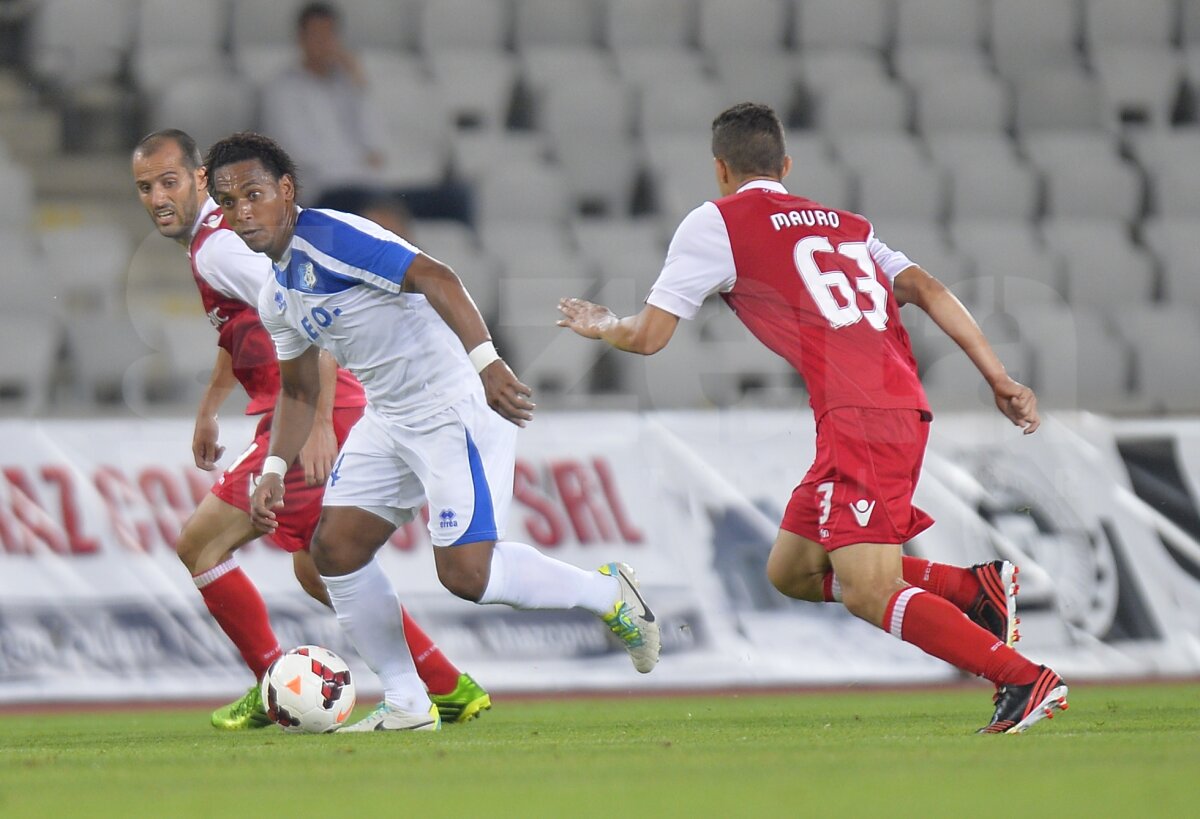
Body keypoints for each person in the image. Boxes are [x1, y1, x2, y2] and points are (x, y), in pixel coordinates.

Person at [558, 102, 1068, 735]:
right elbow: (931, 290)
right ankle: (972, 591)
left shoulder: (716, 222)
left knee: (867, 590)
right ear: (786, 166)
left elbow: (649, 339)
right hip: (875, 407)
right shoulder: (849, 226)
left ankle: (1021, 677)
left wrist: (604, 325)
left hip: (864, 414)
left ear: (720, 169)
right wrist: (999, 377)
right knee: (793, 571)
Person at [204, 132, 659, 732]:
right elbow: (298, 390)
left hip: (453, 406)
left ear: (286, 191)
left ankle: (611, 597)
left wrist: (487, 363)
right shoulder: (277, 292)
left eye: (253, 195)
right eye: (228, 202)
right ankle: (407, 704)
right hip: (389, 416)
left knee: (468, 576)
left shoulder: (334, 237)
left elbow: (437, 276)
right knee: (334, 552)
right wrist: (273, 471)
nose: (242, 213)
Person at [131, 129, 490, 730]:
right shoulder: (215, 247)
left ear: (199, 181)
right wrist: (210, 405)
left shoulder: (221, 249)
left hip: (309, 410)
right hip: (304, 407)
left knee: (203, 546)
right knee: (320, 566)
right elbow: (251, 324)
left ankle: (276, 682)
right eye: (145, 188)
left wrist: (321, 419)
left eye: (170, 182)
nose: (158, 197)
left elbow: (302, 303)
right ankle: (446, 684)